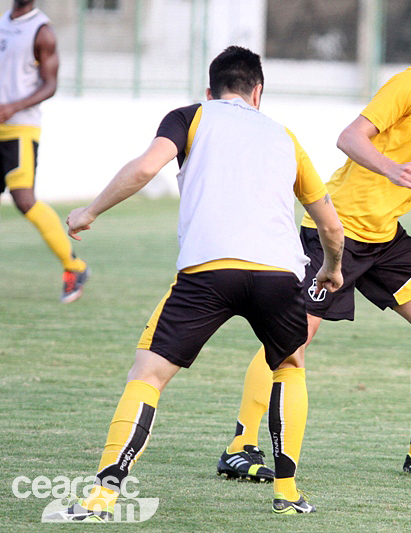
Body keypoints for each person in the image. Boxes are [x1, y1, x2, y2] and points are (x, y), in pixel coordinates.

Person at [44, 46, 344, 521]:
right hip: (278, 274)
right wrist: (332, 267)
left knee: (147, 376)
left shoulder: (191, 116)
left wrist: (89, 211)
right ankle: (287, 492)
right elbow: (328, 222)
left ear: (210, 90)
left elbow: (146, 168)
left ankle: (102, 498)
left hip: (209, 269)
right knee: (289, 364)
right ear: (258, 92)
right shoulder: (285, 136)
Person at [215, 21, 411, 482]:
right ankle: (240, 447)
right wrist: (393, 169)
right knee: (292, 339)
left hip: (385, 237)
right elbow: (350, 138)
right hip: (336, 230)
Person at [0, 0, 89, 303]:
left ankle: (74, 266)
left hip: (20, 128)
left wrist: (13, 106)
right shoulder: (3, 22)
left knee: (24, 199)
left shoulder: (43, 31)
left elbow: (50, 85)